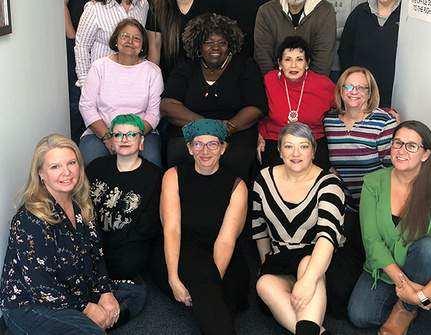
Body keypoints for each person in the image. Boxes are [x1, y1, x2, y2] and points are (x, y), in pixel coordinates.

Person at [0, 134, 143, 334]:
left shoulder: (81, 204)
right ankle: (92, 324)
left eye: (71, 163)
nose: (66, 172)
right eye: (55, 167)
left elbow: (96, 255)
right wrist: (86, 307)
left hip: (77, 287)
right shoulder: (29, 218)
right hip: (33, 303)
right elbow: (42, 285)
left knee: (136, 292)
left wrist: (105, 292)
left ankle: (95, 322)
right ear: (41, 173)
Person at [348, 120, 431, 335]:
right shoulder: (373, 182)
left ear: (425, 154)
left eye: (411, 146)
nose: (401, 151)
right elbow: (372, 242)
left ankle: (406, 309)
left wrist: (418, 297)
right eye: (397, 143)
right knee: (360, 315)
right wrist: (406, 286)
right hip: (387, 271)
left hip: (424, 271)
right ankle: (422, 307)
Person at [252, 123, 345, 335]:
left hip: (319, 258)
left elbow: (327, 238)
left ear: (313, 151)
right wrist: (265, 262)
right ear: (279, 151)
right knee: (264, 283)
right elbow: (259, 228)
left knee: (307, 264)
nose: (296, 153)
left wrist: (308, 282)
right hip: (282, 257)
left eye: (303, 146)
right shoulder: (263, 179)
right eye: (289, 146)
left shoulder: (329, 183)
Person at [160, 119, 249, 335]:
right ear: (190, 148)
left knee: (223, 297)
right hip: (181, 249)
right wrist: (173, 278)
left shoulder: (237, 185)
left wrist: (212, 284)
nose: (205, 151)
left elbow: (226, 240)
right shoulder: (173, 176)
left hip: (223, 252)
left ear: (223, 148)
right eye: (198, 144)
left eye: (212, 144)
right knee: (208, 294)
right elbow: (172, 229)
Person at [322, 66, 397, 318]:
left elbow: (391, 171)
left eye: (361, 87)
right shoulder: (329, 120)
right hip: (346, 207)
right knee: (336, 290)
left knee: (368, 259)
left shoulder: (383, 121)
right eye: (349, 86)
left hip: (375, 208)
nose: (354, 92)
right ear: (340, 90)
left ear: (370, 92)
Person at [160, 12, 267, 182]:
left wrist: (227, 128)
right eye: (208, 43)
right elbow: (168, 104)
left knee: (238, 156)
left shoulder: (245, 65)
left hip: (234, 132)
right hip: (191, 129)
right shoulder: (186, 65)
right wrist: (207, 126)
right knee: (178, 151)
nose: (215, 47)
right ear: (198, 45)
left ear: (230, 44)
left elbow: (256, 107)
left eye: (222, 43)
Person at [87, 114, 162, 292]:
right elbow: (82, 204)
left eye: (131, 134)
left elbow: (149, 224)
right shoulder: (96, 166)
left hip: (128, 244)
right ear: (112, 141)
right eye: (118, 134)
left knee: (126, 266)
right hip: (94, 239)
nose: (124, 139)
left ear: (141, 141)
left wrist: (112, 245)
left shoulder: (155, 176)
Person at [79, 18, 163, 166]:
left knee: (151, 161)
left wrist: (133, 136)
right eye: (125, 36)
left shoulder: (153, 71)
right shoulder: (99, 67)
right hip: (102, 132)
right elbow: (86, 106)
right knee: (93, 161)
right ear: (116, 40)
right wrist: (108, 137)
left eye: (136, 38)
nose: (130, 41)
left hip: (142, 133)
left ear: (142, 46)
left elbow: (153, 113)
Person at [63, 0, 115, 143]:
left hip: (105, 48)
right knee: (79, 97)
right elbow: (60, 2)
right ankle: (79, 144)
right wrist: (72, 35)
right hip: (79, 45)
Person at [258, 36, 335, 170]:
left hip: (312, 141)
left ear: (307, 63)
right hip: (276, 140)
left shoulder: (323, 84)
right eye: (288, 59)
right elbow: (255, 109)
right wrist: (257, 135)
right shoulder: (269, 81)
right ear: (280, 63)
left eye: (299, 59)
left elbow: (343, 108)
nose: (293, 65)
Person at [74, 0, 148, 87]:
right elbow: (82, 47)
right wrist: (85, 82)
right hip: (102, 82)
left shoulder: (142, 5)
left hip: (134, 82)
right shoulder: (94, 8)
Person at [254, 0, 336, 77]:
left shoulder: (325, 11)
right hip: (274, 82)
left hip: (312, 84)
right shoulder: (266, 12)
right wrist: (274, 83)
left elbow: (323, 58)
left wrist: (309, 86)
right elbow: (263, 55)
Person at [339, 0, 403, 107]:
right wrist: (353, 86)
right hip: (360, 95)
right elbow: (345, 50)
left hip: (395, 96)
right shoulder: (359, 12)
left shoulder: (407, 16)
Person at [147, 0, 208, 74]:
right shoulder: (157, 8)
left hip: (203, 79)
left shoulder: (209, 4)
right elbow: (154, 52)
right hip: (169, 79)